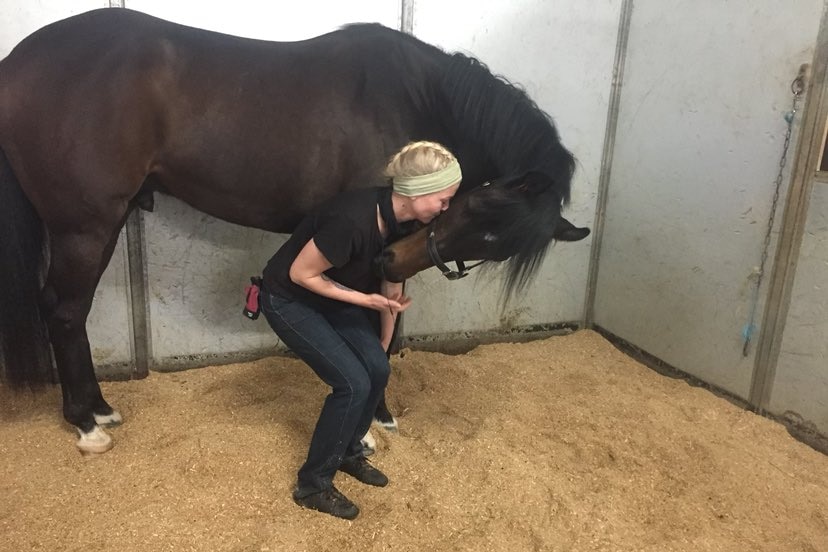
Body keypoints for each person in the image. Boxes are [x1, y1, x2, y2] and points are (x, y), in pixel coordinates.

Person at [259, 141, 462, 520]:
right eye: (444, 199)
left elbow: (392, 285)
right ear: (418, 192)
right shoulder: (352, 220)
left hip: (338, 298)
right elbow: (300, 274)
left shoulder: (411, 224)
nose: (446, 209)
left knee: (376, 371)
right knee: (352, 383)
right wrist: (365, 302)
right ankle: (313, 485)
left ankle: (349, 452)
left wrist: (381, 344)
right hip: (290, 298)